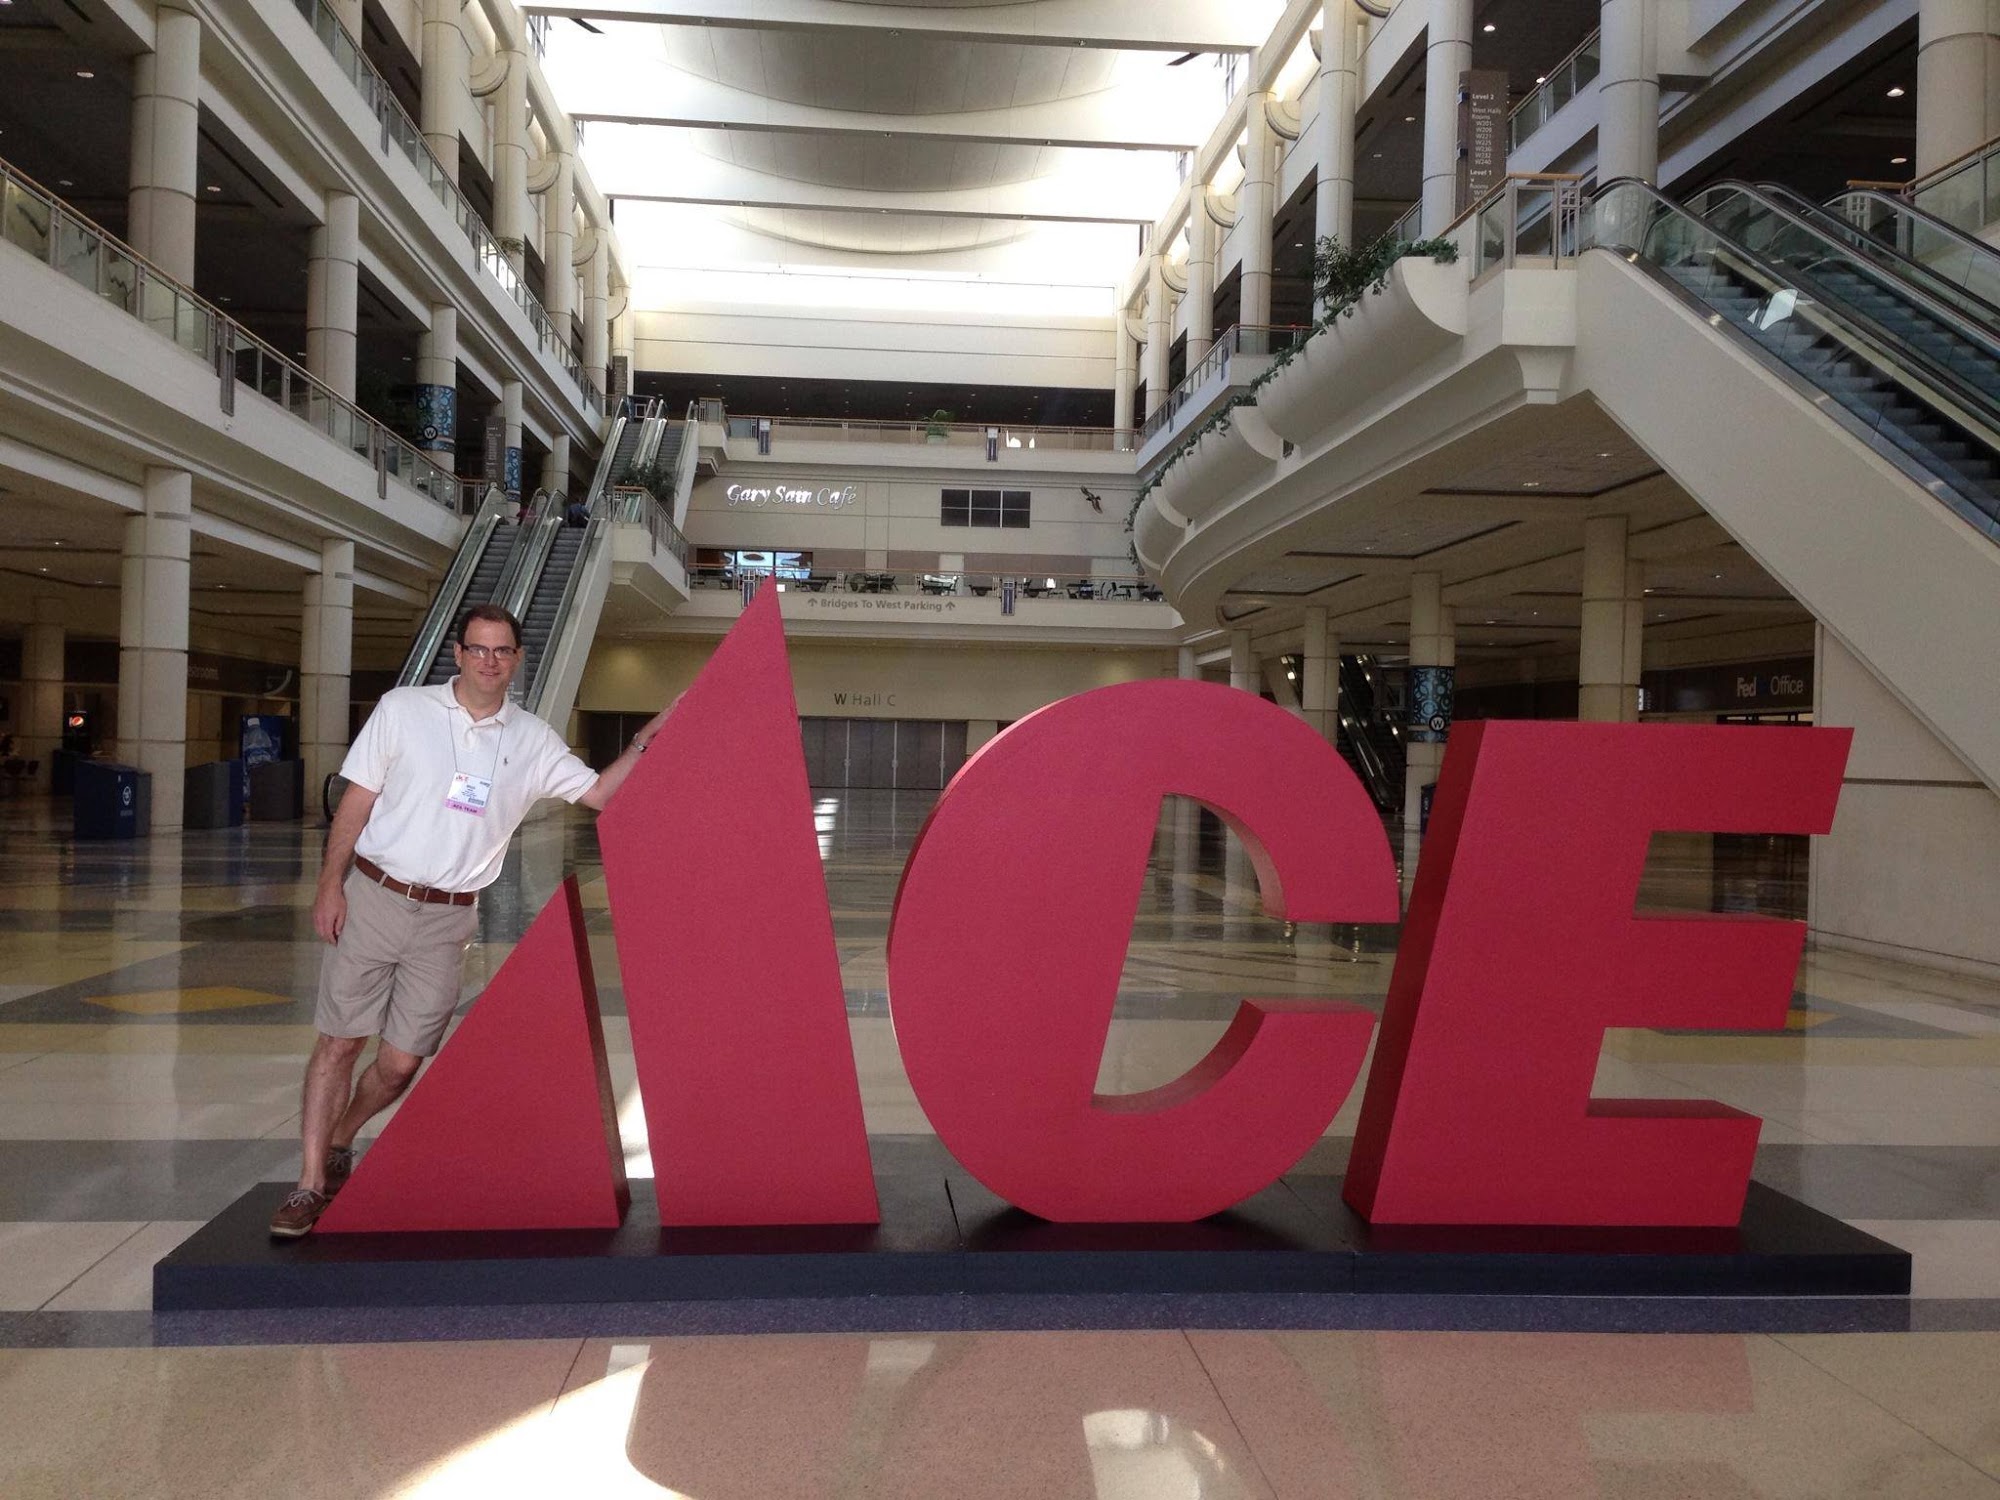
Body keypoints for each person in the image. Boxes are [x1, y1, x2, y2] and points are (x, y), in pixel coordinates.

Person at [269, 603, 670, 1237]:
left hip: (448, 919)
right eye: (478, 649)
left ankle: (343, 1135)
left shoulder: (531, 738)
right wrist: (329, 885)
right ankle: (309, 1184)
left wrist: (646, 740)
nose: (490, 661)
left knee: (401, 1063)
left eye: (502, 651)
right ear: (457, 654)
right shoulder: (403, 709)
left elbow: (597, 793)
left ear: (517, 659)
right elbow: (356, 802)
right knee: (340, 1041)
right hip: (375, 895)